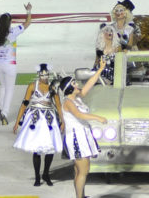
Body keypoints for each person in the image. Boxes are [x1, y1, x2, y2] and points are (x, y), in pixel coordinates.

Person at [60, 63, 108, 198]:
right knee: (83, 171)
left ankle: (81, 196)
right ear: (69, 88)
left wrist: (100, 70)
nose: (77, 85)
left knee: (79, 171)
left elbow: (89, 85)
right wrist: (98, 118)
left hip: (83, 136)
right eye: (74, 83)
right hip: (77, 138)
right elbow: (79, 115)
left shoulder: (76, 98)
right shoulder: (68, 102)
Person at [13, 64, 63, 187]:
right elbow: (24, 104)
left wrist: (63, 121)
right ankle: (37, 176)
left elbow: (58, 105)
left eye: (46, 75)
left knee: (50, 148)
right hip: (35, 119)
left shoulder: (52, 87)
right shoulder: (32, 86)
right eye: (42, 75)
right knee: (36, 149)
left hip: (49, 119)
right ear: (38, 75)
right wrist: (17, 121)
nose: (44, 77)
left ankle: (46, 173)